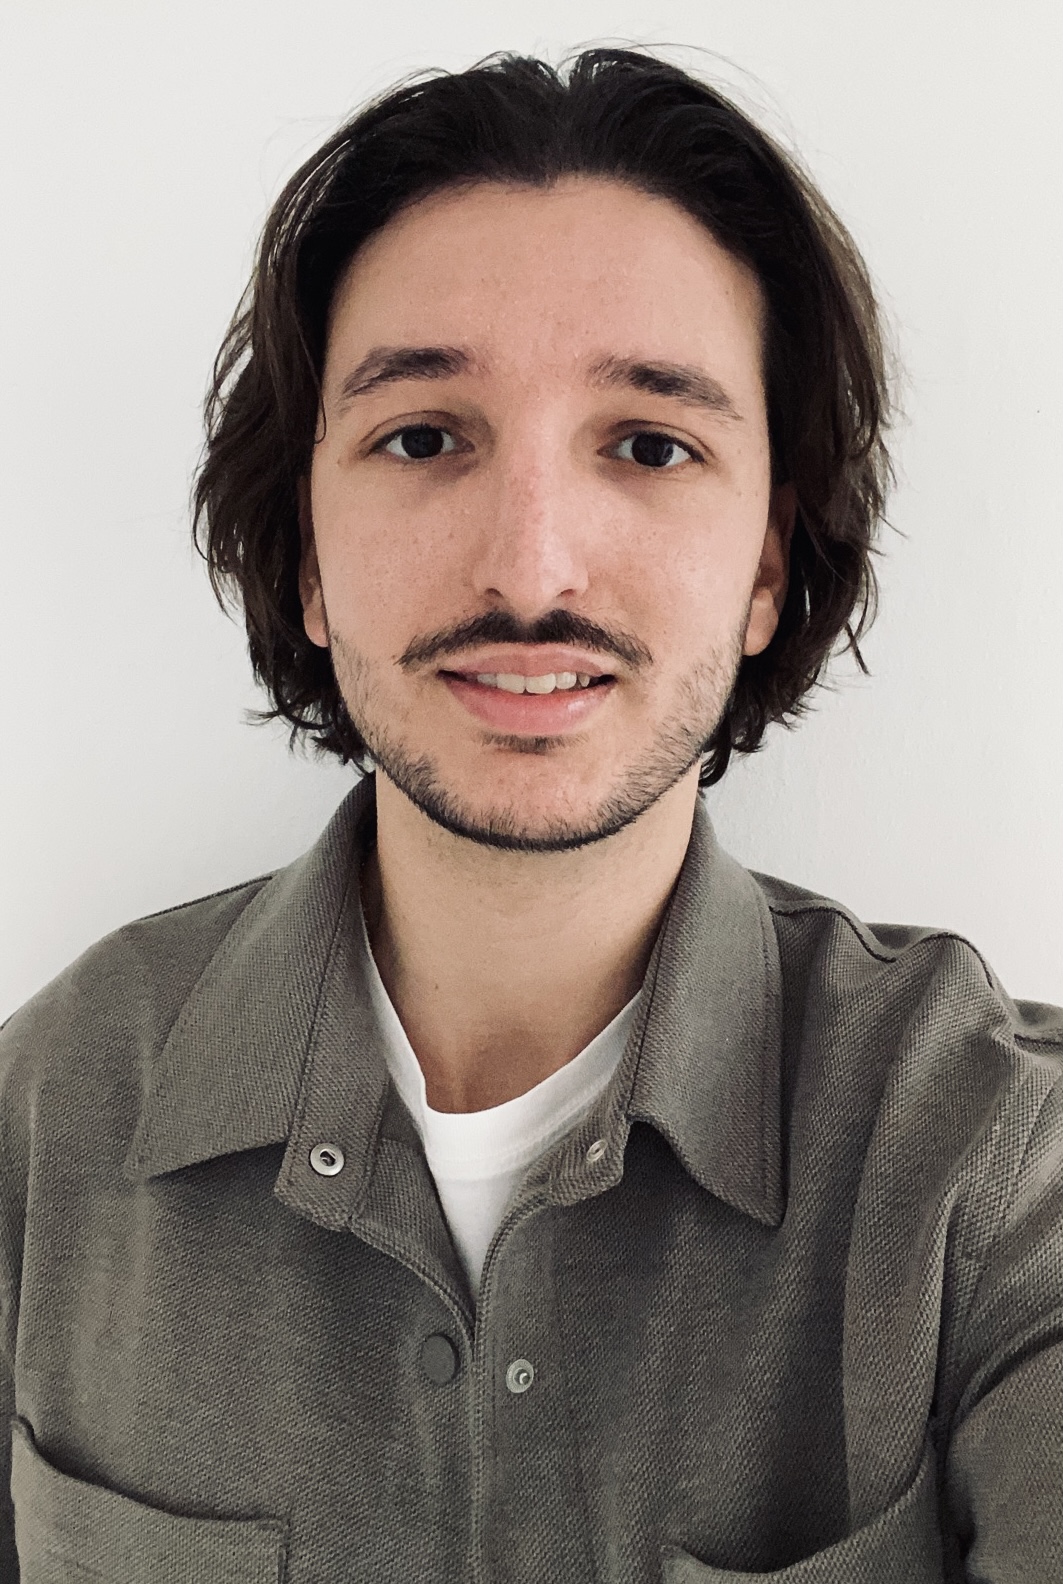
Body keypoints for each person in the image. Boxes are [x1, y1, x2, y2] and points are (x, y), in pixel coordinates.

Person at [1, 46, 1059, 1584]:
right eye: (425, 437)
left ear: (768, 568)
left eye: (652, 444)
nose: (532, 566)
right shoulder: (41, 1125)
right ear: (306, 553)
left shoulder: (993, 1169)